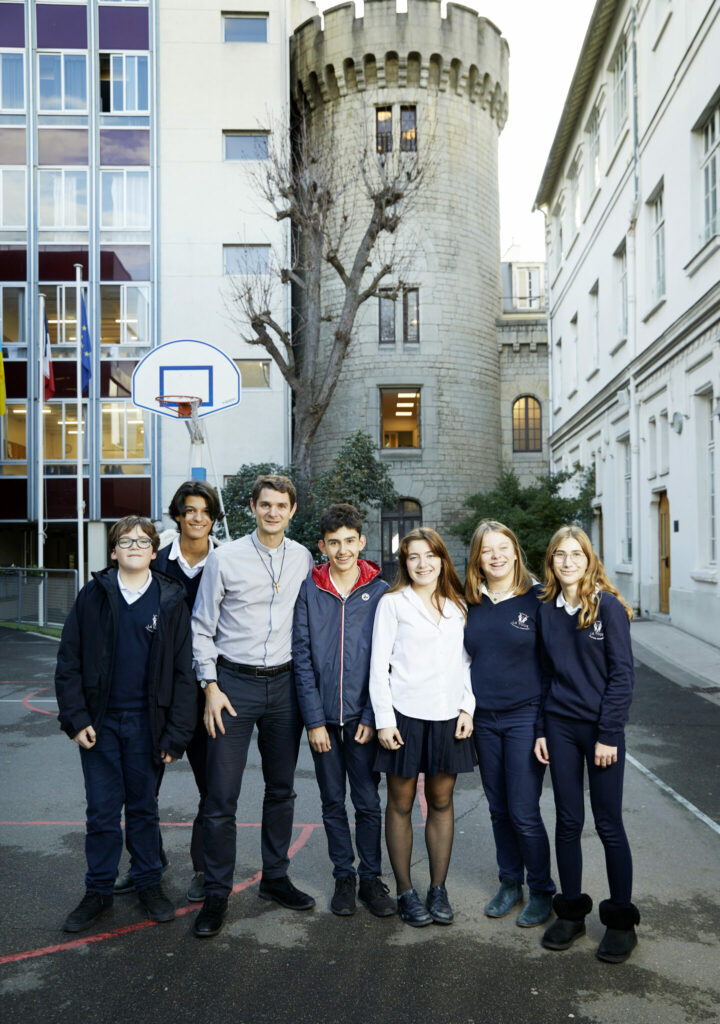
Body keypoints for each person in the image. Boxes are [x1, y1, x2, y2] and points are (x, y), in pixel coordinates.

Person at [55, 516, 197, 932]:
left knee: (143, 809)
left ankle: (148, 882)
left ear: (154, 552)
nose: (134, 545)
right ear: (113, 551)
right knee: (101, 813)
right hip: (100, 724)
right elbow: (69, 662)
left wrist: (176, 733)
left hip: (146, 725)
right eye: (125, 540)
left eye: (143, 541)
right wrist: (76, 719)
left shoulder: (170, 600)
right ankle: (97, 891)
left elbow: (183, 673)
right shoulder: (92, 597)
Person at [191, 474, 315, 938]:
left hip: (284, 690)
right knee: (221, 796)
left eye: (281, 505)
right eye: (265, 504)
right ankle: (217, 891)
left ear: (292, 510)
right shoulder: (224, 559)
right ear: (252, 507)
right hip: (233, 687)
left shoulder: (303, 557)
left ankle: (275, 878)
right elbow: (201, 627)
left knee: (281, 789)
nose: (273, 512)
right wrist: (210, 686)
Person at [535, 525, 639, 963]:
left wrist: (609, 734)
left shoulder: (608, 608)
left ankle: (619, 922)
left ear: (589, 558)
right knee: (567, 820)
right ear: (552, 561)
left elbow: (622, 676)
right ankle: (572, 912)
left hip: (600, 731)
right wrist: (541, 727)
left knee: (609, 823)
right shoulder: (546, 608)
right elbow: (542, 674)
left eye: (576, 554)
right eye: (560, 554)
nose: (568, 561)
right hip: (559, 726)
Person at [114, 481, 222, 904]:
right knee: (140, 790)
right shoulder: (155, 563)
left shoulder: (227, 561)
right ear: (178, 515)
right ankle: (147, 864)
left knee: (214, 789)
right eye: (189, 510)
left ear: (214, 518)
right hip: (157, 695)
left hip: (211, 692)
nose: (197, 518)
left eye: (205, 511)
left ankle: (203, 868)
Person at [369, 527, 475, 927]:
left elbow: (468, 664)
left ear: (442, 559)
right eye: (413, 557)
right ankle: (405, 891)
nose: (422, 563)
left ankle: (437, 889)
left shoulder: (459, 606)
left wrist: (467, 709)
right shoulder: (393, 604)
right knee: (400, 802)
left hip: (449, 716)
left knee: (442, 801)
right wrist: (384, 720)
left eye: (430, 555)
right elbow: (378, 667)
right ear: (404, 563)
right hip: (404, 717)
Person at [293, 503, 395, 918]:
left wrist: (372, 716)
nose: (342, 550)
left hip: (361, 720)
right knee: (333, 801)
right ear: (322, 546)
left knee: (368, 802)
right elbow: (301, 657)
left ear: (362, 541)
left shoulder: (381, 592)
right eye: (333, 543)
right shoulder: (310, 589)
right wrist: (314, 721)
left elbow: (387, 661)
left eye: (349, 541)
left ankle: (371, 878)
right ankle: (343, 876)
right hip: (324, 723)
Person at [464, 521, 556, 927]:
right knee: (499, 809)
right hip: (484, 719)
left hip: (525, 718)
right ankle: (509, 883)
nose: (496, 556)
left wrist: (541, 728)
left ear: (516, 552)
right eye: (487, 550)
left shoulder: (538, 599)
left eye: (503, 548)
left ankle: (541, 890)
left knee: (523, 810)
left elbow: (552, 669)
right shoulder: (468, 602)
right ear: (478, 559)